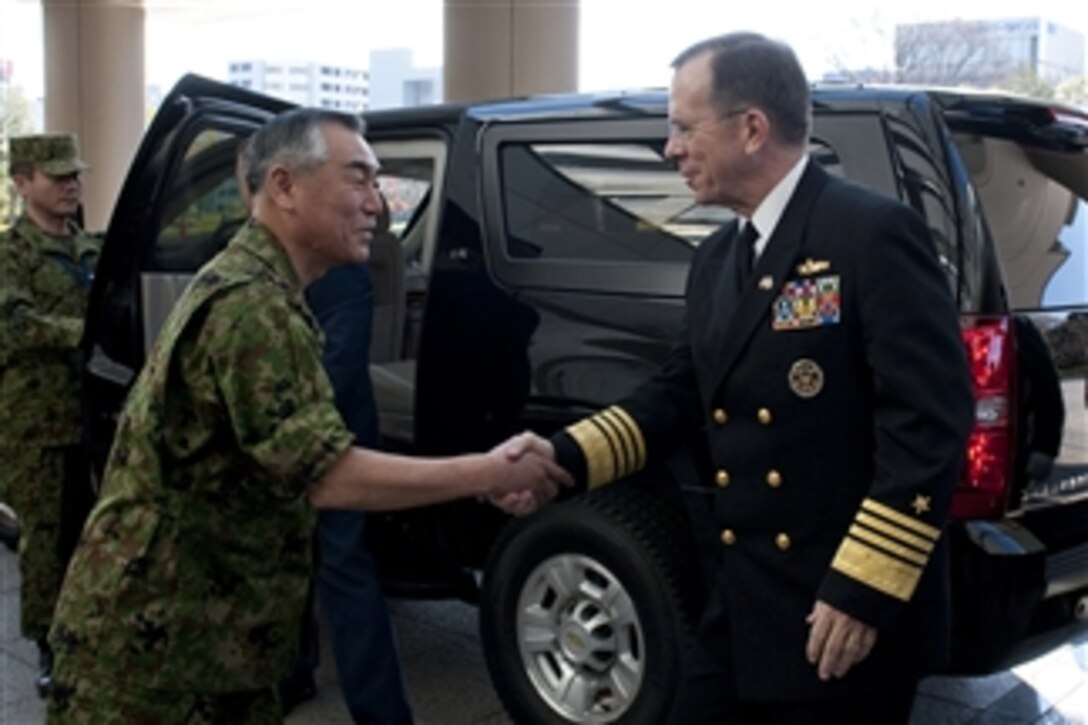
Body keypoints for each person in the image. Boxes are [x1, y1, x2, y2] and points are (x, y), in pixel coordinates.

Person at [44, 108, 570, 723]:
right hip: (157, 659)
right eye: (358, 179)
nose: (377, 204)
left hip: (204, 642)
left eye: (378, 183)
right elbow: (330, 476)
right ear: (285, 187)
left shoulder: (264, 290)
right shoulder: (251, 308)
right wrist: (488, 473)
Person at [511, 32, 976, 723]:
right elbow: (679, 393)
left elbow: (930, 422)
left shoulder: (869, 233)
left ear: (751, 128)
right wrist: (561, 457)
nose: (670, 149)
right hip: (747, 593)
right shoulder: (718, 257)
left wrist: (864, 588)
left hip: (839, 609)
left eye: (681, 127)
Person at [0, 133, 100, 698]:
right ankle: (47, 644)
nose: (70, 185)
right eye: (57, 176)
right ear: (21, 182)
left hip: (87, 414)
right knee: (43, 537)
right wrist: (86, 335)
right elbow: (12, 322)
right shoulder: (9, 255)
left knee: (88, 532)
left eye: (74, 175)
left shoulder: (87, 247)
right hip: (35, 420)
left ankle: (83, 632)